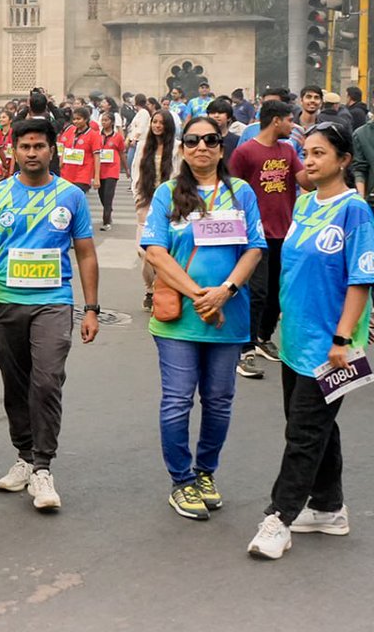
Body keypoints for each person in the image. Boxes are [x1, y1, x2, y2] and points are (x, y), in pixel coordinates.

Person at [248, 122, 374, 559]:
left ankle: (279, 517)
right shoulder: (304, 203)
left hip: (330, 346)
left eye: (320, 153)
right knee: (315, 426)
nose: (310, 161)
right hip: (295, 339)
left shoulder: (355, 211)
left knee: (303, 432)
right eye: (307, 153)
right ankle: (328, 507)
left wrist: (342, 338)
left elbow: (360, 280)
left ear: (343, 160)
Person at [0, 118, 100, 512]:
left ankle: (43, 467)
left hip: (53, 302)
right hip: (5, 303)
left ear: (52, 150)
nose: (31, 153)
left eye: (39, 146)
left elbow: (86, 254)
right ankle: (24, 456)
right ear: (13, 150)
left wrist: (91, 308)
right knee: (15, 384)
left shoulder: (70, 196)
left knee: (46, 381)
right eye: (24, 146)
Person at [142, 116, 266, 520]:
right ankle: (181, 481)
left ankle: (205, 473)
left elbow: (254, 248)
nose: (201, 147)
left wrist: (225, 291)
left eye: (210, 140)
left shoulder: (240, 193)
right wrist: (200, 296)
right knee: (178, 400)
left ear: (221, 147)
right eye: (193, 140)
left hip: (228, 316)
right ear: (182, 149)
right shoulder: (167, 193)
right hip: (180, 318)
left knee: (218, 400)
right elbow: (155, 252)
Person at [230, 100, 312, 380]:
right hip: (255, 235)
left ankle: (263, 337)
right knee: (257, 292)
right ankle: (245, 349)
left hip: (284, 233)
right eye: (289, 119)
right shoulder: (245, 152)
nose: (293, 124)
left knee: (278, 292)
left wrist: (315, 157)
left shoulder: (288, 150)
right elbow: (232, 191)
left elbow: (306, 181)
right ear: (276, 120)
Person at [133, 110, 180, 312]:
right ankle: (150, 288)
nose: (157, 126)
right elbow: (136, 171)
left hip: (169, 205)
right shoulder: (143, 146)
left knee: (165, 250)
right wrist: (137, 197)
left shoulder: (178, 148)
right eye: (155, 122)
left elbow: (180, 175)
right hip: (146, 202)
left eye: (161, 122)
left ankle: (160, 289)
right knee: (143, 251)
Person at [58, 105, 101, 193]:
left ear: (86, 119)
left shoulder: (93, 135)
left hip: (83, 175)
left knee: (76, 197)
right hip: (66, 173)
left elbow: (96, 156)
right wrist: (59, 167)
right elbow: (64, 151)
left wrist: (96, 177)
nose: (76, 121)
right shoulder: (70, 132)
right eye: (74, 119)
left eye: (78, 119)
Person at [96, 108, 127, 230]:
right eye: (102, 120)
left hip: (112, 169)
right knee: (101, 194)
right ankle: (108, 209)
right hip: (100, 169)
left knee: (108, 195)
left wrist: (126, 169)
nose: (103, 122)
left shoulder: (118, 137)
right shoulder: (97, 136)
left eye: (106, 120)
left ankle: (106, 221)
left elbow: (122, 153)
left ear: (112, 122)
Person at [206, 96, 241, 162]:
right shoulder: (202, 139)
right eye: (213, 113)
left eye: (220, 113)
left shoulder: (237, 141)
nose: (216, 115)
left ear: (229, 117)